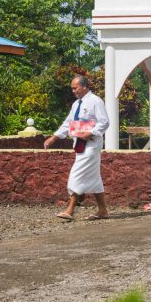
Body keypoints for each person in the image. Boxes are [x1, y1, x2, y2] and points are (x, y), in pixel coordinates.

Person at [45, 75, 110, 221]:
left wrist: (91, 132)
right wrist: (54, 138)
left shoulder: (95, 101)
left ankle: (71, 209)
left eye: (75, 88)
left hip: (92, 145)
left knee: (76, 174)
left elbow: (104, 122)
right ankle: (103, 210)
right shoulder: (76, 104)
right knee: (94, 178)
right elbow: (68, 123)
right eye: (72, 88)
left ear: (84, 86)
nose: (73, 91)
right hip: (80, 145)